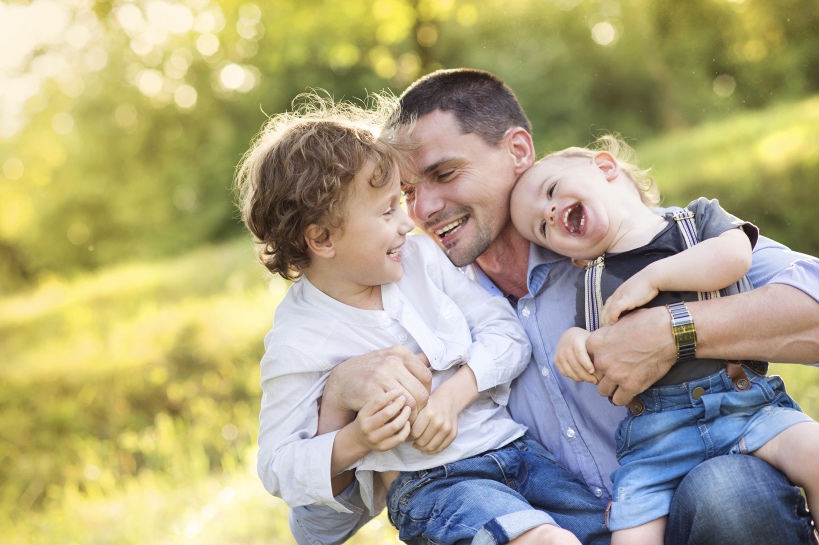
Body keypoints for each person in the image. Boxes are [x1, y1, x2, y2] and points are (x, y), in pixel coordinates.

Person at [290, 68, 819, 545]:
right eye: (407, 193)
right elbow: (318, 528)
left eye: (445, 175)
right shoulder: (405, 304)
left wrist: (675, 329)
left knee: (730, 490)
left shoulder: (641, 239)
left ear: (518, 151)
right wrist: (337, 398)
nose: (424, 209)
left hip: (692, 510)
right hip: (556, 534)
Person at [236, 94, 610, 545]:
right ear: (321, 238)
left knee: (609, 532)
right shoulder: (299, 337)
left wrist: (454, 395)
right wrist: (356, 439)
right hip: (438, 486)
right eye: (387, 210)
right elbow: (278, 466)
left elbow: (505, 332)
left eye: (401, 202)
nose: (407, 223)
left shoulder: (420, 262)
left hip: (516, 452)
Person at [510, 135, 819, 544]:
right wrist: (572, 341)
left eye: (551, 191)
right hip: (655, 439)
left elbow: (734, 258)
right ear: (573, 258)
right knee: (629, 534)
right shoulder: (590, 279)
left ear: (605, 167)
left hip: (743, 405)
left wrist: (655, 278)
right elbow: (594, 341)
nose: (549, 213)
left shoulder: (696, 221)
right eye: (543, 228)